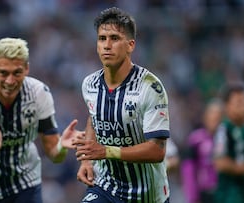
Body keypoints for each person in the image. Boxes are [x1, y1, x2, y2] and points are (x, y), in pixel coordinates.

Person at [0, 37, 82, 203]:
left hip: (25, 185)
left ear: (27, 69)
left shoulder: (39, 93)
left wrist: (62, 147)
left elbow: (54, 153)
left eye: (17, 73)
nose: (10, 81)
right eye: (3, 73)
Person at [72, 7, 170, 203]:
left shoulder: (150, 87)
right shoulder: (89, 84)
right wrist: (86, 160)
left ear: (130, 45)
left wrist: (106, 151)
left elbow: (157, 151)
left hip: (147, 195)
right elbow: (94, 117)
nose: (107, 45)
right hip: (106, 187)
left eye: (114, 38)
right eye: (102, 38)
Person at [213, 82, 244, 203]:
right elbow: (220, 163)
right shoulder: (224, 129)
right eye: (239, 103)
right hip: (230, 196)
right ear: (227, 106)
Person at [181, 99, 223, 203]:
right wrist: (193, 197)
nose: (215, 121)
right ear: (205, 118)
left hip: (224, 192)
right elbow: (188, 169)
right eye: (212, 117)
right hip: (204, 193)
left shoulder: (226, 139)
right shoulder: (195, 140)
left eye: (218, 118)